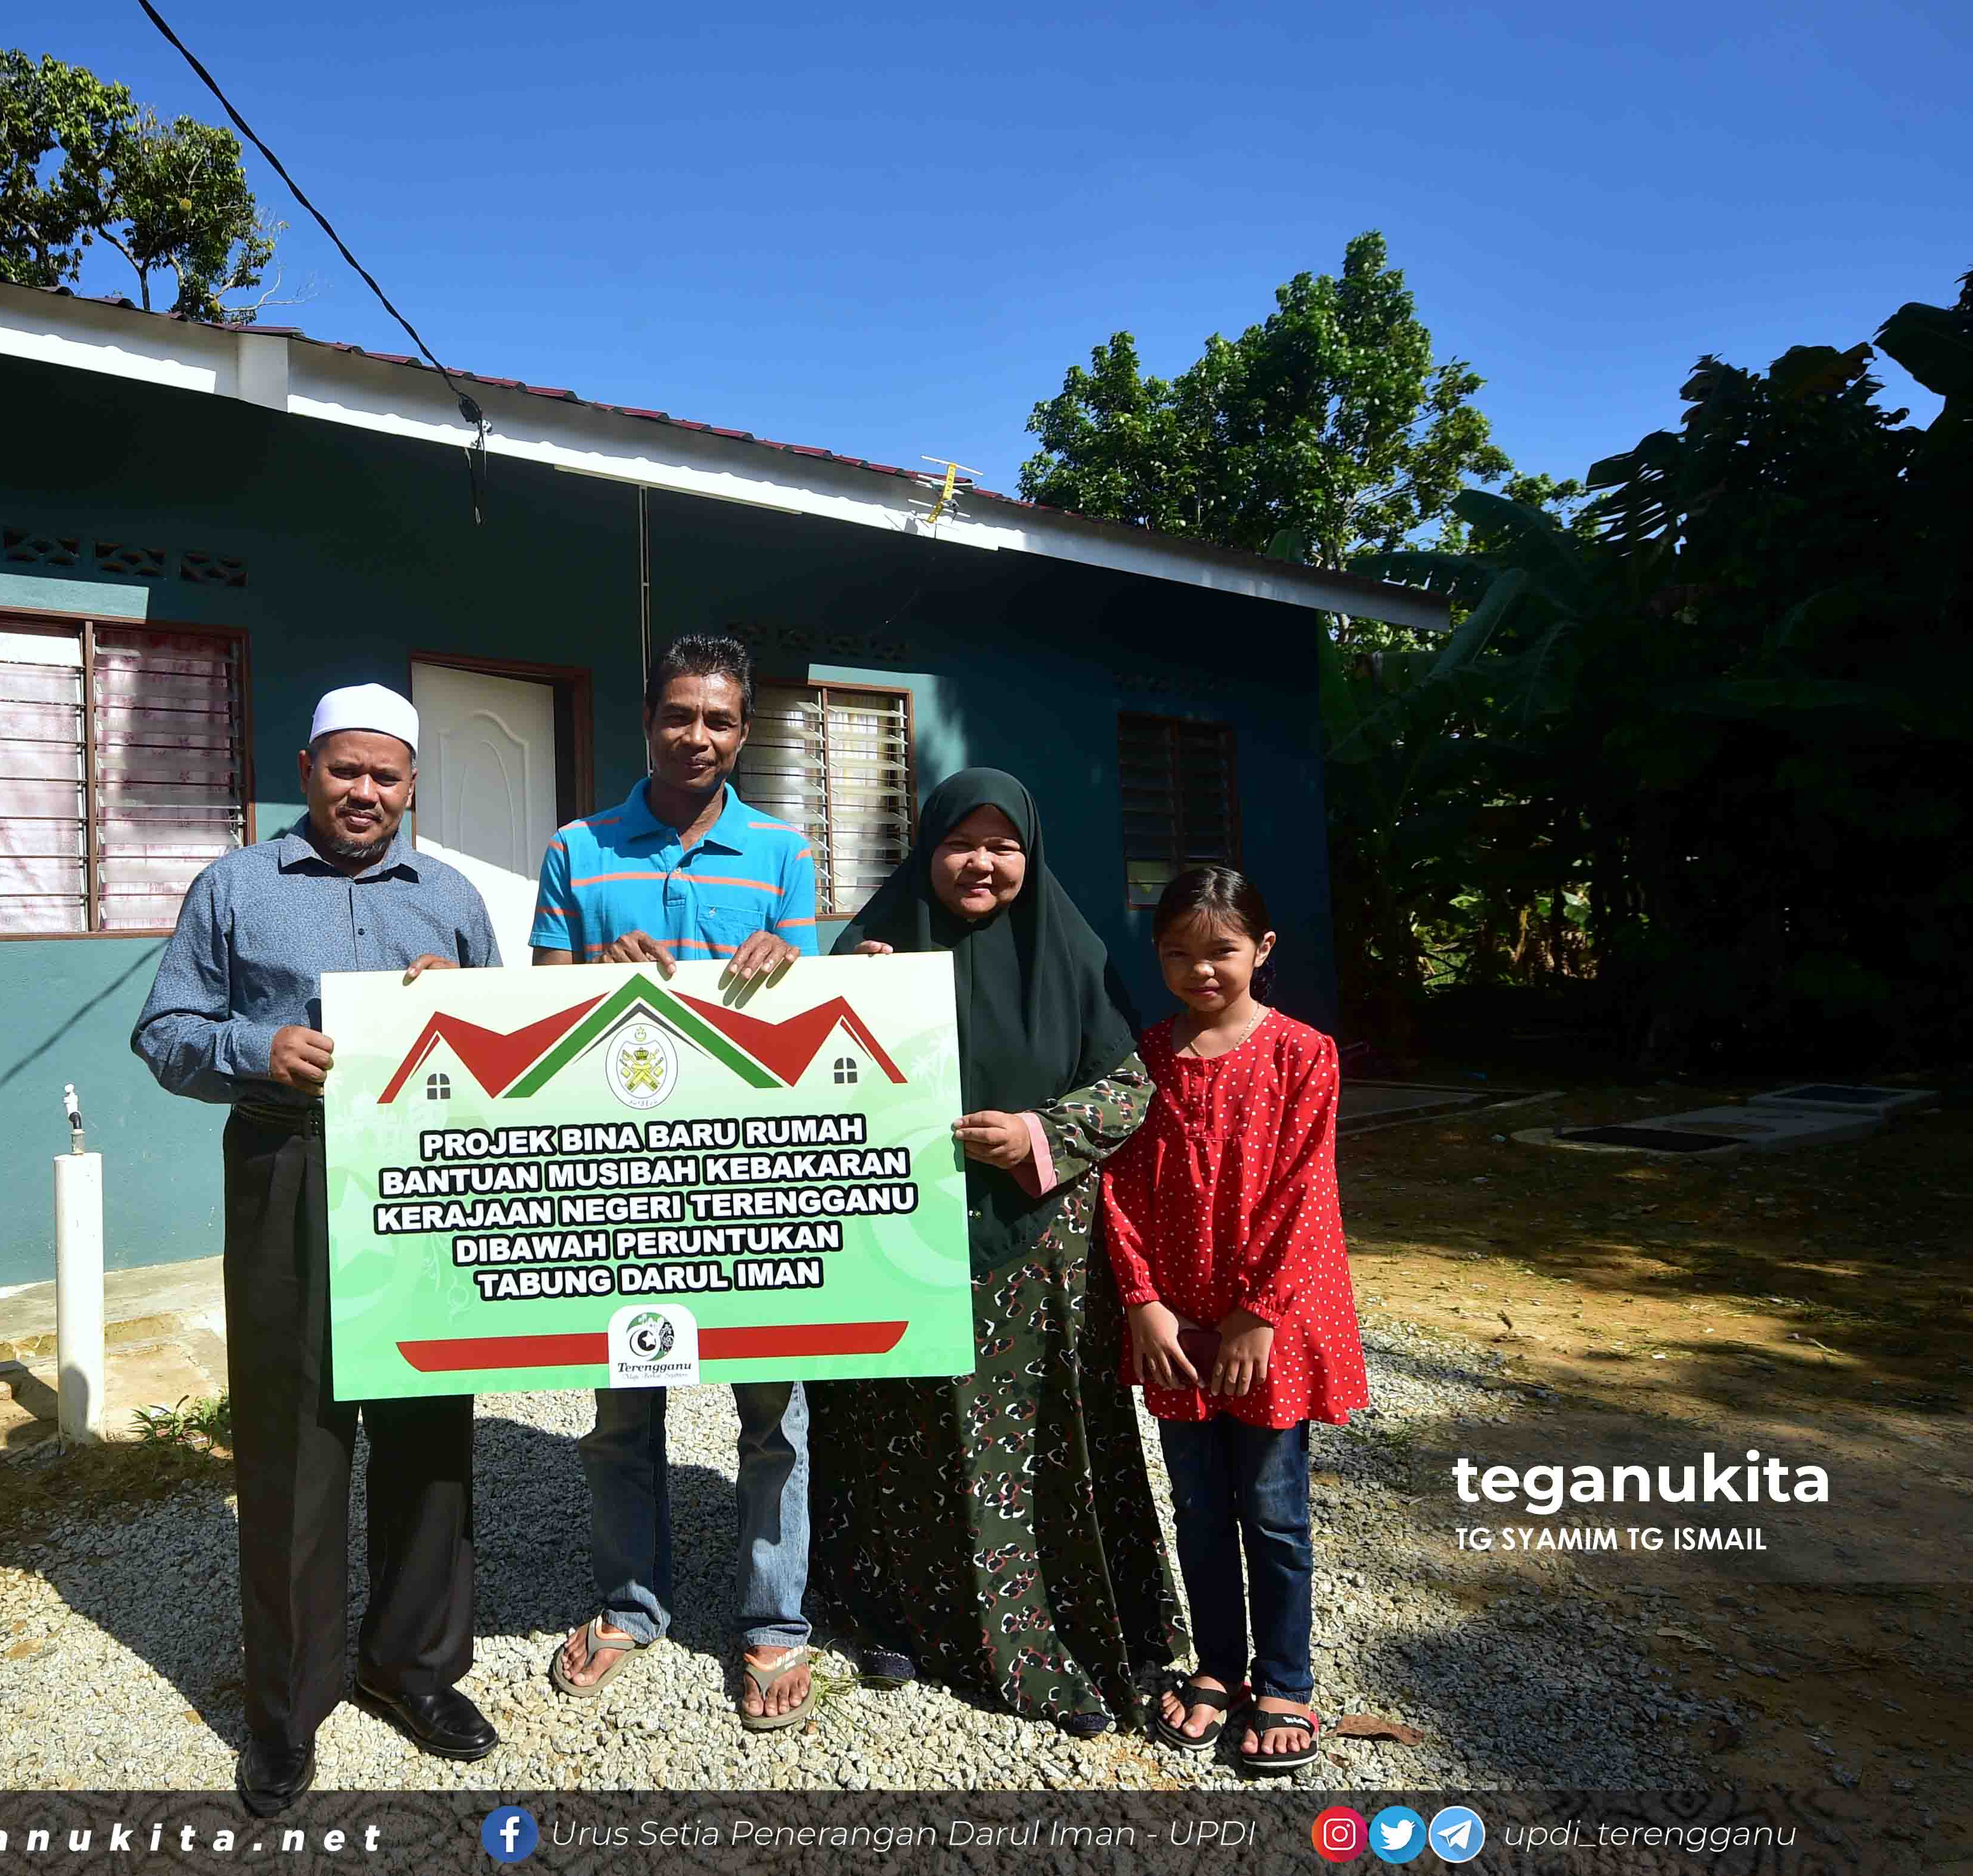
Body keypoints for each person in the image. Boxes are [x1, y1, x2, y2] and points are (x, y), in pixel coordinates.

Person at [131, 683, 504, 1815]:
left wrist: (473, 1007)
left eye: (386, 775)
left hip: (431, 1177)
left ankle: (414, 1668)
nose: (365, 792)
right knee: (295, 1437)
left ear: (411, 786)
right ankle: (287, 1708)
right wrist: (257, 1047)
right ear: (308, 769)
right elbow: (163, 1033)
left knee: (431, 1421)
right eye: (347, 770)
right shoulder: (235, 888)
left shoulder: (452, 897)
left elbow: (510, 1049)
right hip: (288, 1165)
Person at [807, 767, 1187, 1732]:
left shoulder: (1072, 950)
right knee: (893, 1435)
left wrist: (1038, 1136)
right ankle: (894, 1618)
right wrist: (845, 991)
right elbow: (800, 1077)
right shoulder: (872, 942)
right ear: (927, 850)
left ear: (1029, 853)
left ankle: (1038, 1626)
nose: (980, 863)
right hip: (895, 1238)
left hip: (1034, 1254)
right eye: (959, 844)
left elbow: (1129, 1088)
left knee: (1029, 1446)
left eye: (1001, 845)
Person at [532, 632, 823, 1730]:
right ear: (646, 719)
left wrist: (790, 966)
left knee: (775, 1415)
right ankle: (629, 1605)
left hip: (757, 1185)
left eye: (720, 719)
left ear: (743, 732)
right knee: (619, 1410)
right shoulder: (577, 848)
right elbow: (541, 1011)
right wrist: (586, 981)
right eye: (679, 714)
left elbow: (804, 1010)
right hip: (621, 1182)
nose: (696, 735)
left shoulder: (784, 856)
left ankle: (772, 1623)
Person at [1101, 864, 1367, 1774]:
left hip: (1272, 1325)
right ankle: (1217, 1668)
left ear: (1263, 950)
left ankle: (1285, 1679)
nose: (1201, 970)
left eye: (1221, 950)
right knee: (1201, 1506)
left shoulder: (1304, 1054)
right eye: (1178, 954)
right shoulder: (1146, 1056)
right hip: (1176, 1324)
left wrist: (1258, 1315)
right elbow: (1121, 1188)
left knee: (1273, 1507)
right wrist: (1143, 1301)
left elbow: (1304, 1190)